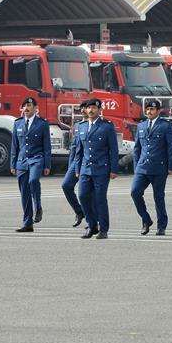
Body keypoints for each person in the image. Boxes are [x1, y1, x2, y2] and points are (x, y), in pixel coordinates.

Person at [74, 98, 119, 239]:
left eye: (94, 108)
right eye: (89, 108)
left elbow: (113, 149)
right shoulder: (81, 127)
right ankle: (92, 225)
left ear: (100, 110)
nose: (91, 110)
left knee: (100, 198)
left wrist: (114, 169)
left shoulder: (107, 126)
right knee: (82, 196)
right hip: (85, 168)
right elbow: (78, 151)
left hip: (101, 169)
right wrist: (77, 169)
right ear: (85, 110)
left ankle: (103, 229)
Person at [131, 99, 172, 235]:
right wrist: (136, 166)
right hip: (142, 167)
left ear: (158, 111)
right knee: (135, 192)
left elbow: (171, 147)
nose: (149, 112)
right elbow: (137, 148)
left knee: (158, 197)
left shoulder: (165, 126)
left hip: (159, 167)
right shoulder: (141, 126)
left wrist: (171, 166)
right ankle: (146, 219)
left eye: (152, 109)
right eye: (147, 109)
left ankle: (161, 226)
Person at [10, 96, 52, 232]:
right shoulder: (17, 123)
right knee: (24, 193)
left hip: (36, 158)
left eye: (29, 106)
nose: (26, 108)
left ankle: (38, 206)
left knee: (33, 180)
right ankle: (27, 223)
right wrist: (12, 164)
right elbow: (14, 146)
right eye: (24, 106)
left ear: (35, 108)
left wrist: (47, 165)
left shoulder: (42, 124)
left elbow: (47, 146)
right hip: (22, 161)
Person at [62, 101, 88, 228]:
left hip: (89, 162)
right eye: (81, 109)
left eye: (86, 108)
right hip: (76, 161)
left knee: (89, 193)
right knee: (66, 185)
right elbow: (73, 147)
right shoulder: (77, 125)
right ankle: (79, 212)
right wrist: (70, 166)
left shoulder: (97, 125)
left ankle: (92, 220)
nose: (83, 111)